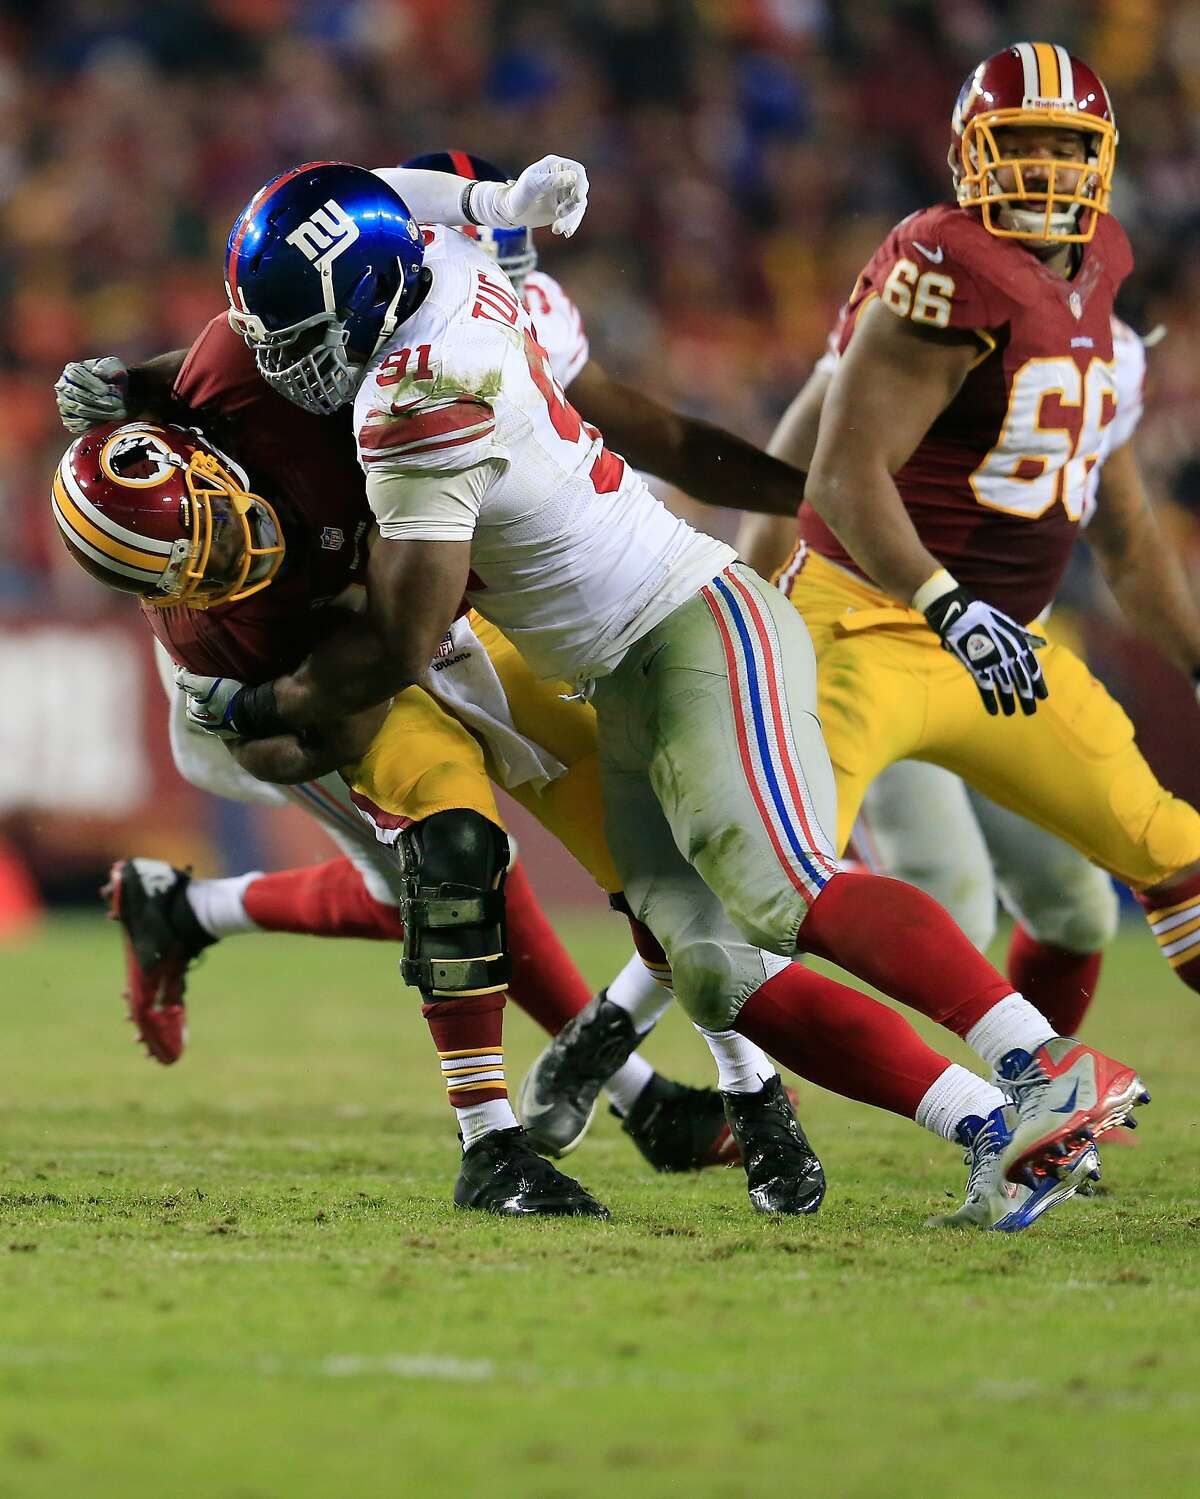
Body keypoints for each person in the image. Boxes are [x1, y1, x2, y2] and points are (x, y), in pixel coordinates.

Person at [184, 157, 1146, 1211]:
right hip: (618, 672)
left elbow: (407, 642)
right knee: (711, 965)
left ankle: (1045, 1063)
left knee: (785, 881)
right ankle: (993, 1124)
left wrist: (262, 704)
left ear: (368, 304)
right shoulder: (447, 263)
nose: (280, 364)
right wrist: (489, 207)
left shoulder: (420, 399)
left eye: (300, 340)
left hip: (692, 624)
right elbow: (377, 187)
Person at [745, 42, 1200, 1031]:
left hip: (998, 643)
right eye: (1018, 144)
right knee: (786, 885)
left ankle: (1034, 1097)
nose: (1041, 169)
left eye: (1063, 146)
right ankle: (674, 1053)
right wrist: (747, 596)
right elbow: (827, 461)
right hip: (873, 616)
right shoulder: (939, 265)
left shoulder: (1105, 275)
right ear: (966, 154)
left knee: (1143, 867)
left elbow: (1121, 529)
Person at [739, 313, 1151, 1037]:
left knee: (1079, 910)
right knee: (943, 896)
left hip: (1007, 660)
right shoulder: (910, 316)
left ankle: (1041, 1088)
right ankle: (710, 1049)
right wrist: (759, 634)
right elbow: (788, 488)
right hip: (883, 641)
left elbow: (1126, 535)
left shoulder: (1100, 342)